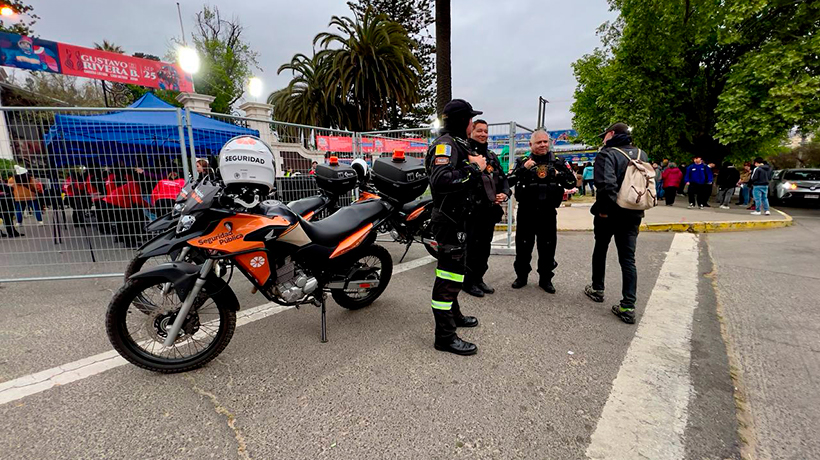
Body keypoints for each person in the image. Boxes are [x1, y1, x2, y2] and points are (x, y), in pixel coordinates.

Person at [424, 99, 483, 356]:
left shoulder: (458, 143)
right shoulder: (445, 145)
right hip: (448, 220)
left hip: (457, 218)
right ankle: (444, 336)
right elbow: (442, 179)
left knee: (455, 273)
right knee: (448, 276)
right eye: (471, 119)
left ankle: (455, 315)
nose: (473, 124)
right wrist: (474, 167)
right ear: (464, 121)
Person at [583, 122, 650, 324]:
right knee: (628, 259)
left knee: (601, 248)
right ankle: (628, 306)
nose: (603, 138)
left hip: (610, 213)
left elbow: (605, 185)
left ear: (611, 134)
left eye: (605, 135)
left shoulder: (608, 154)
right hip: (634, 212)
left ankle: (597, 288)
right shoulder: (641, 154)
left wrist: (605, 210)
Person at [509, 130, 576, 292]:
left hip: (548, 211)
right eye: (539, 142)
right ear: (531, 144)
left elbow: (571, 182)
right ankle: (522, 276)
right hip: (526, 211)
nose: (543, 145)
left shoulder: (558, 161)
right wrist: (523, 169)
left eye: (545, 141)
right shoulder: (521, 161)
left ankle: (546, 279)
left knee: (547, 247)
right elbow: (508, 180)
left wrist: (558, 174)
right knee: (523, 246)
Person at [462, 119, 510, 297]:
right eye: (479, 131)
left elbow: (503, 179)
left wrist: (504, 193)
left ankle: (479, 278)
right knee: (471, 247)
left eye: (485, 131)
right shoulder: (465, 153)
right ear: (471, 132)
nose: (483, 134)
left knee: (484, 247)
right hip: (471, 210)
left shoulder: (491, 156)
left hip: (489, 211)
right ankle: (468, 282)